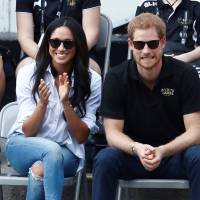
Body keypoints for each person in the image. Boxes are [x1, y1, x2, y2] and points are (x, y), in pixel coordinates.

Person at [92, 13, 200, 200]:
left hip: (175, 156)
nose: (146, 51)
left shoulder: (186, 74)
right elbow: (112, 134)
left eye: (153, 44)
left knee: (199, 156)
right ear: (131, 45)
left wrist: (163, 151)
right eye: (140, 45)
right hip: (133, 156)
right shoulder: (116, 78)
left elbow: (196, 131)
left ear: (163, 42)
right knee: (104, 159)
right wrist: (137, 148)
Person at [6, 17, 101, 200]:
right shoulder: (28, 74)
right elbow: (27, 131)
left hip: (67, 151)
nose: (61, 48)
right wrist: (42, 104)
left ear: (78, 46)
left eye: (68, 43)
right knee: (51, 150)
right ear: (47, 44)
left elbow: (81, 137)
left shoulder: (92, 80)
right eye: (55, 42)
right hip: (22, 145)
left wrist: (66, 103)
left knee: (41, 168)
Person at [16, 0, 101, 74]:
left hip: (78, 52)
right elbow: (25, 37)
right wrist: (46, 58)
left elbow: (91, 34)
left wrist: (68, 56)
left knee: (90, 70)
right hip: (38, 52)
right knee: (25, 69)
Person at [135, 0, 200, 66]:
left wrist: (182, 58)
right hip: (151, 58)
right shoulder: (147, 5)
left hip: (184, 60)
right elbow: (136, 39)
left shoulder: (195, 7)